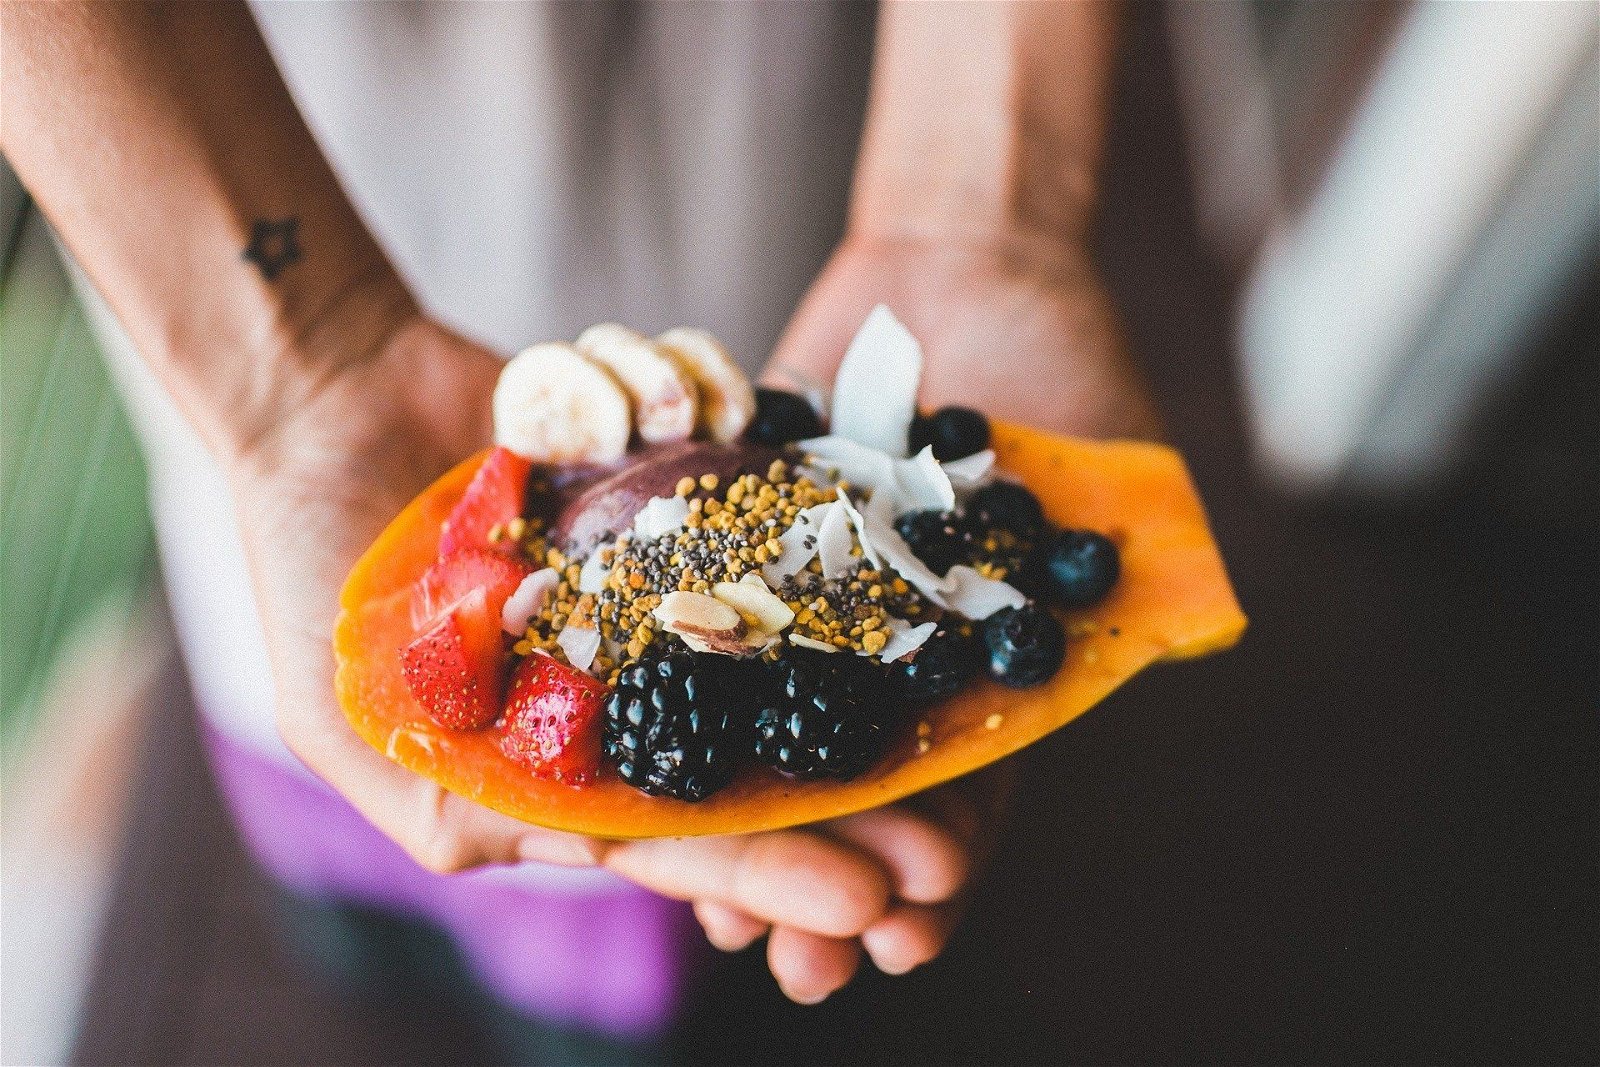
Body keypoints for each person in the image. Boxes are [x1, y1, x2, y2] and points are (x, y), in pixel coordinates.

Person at [3, 0, 1156, 1055]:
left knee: (668, 986)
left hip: (758, 133)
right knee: (347, 814)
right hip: (214, 180)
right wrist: (294, 374)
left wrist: (979, 221)